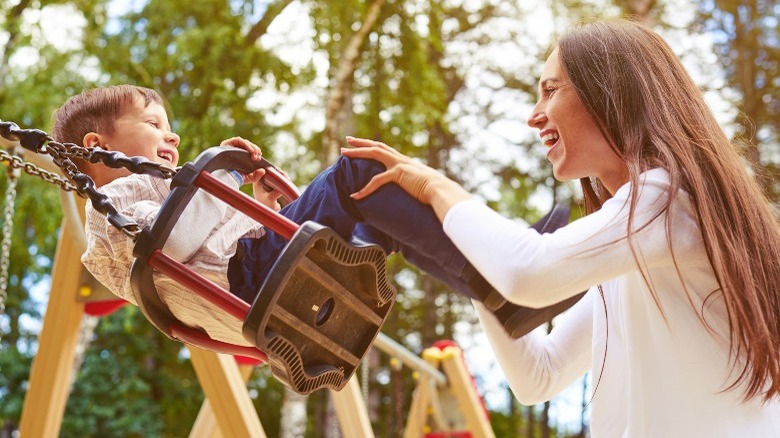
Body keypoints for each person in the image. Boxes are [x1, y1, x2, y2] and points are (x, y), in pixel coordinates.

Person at [341, 18, 780, 436]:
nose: (535, 115)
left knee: (352, 187)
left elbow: (530, 272)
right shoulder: (634, 252)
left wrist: (436, 187)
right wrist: (463, 257)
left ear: (610, 93)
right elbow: (539, 376)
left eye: (550, 90)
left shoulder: (666, 200)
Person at [52, 84, 572, 347]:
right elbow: (175, 243)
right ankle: (505, 270)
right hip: (251, 280)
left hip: (254, 278)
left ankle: (498, 291)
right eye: (152, 123)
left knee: (379, 215)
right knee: (359, 172)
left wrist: (264, 203)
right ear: (98, 146)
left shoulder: (158, 191)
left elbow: (213, 238)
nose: (172, 136)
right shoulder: (116, 199)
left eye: (170, 127)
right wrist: (223, 177)